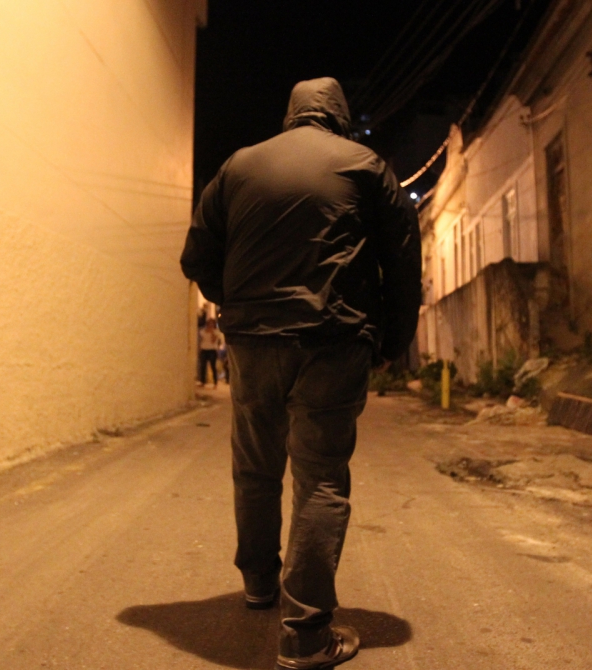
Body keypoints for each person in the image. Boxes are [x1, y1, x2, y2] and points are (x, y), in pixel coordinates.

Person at [180, 77, 421, 670]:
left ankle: (259, 584)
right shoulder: (365, 165)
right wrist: (393, 339)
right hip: (333, 339)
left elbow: (196, 258)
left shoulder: (238, 167)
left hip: (254, 343)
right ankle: (306, 634)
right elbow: (402, 262)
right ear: (338, 116)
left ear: (290, 115)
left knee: (256, 467)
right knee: (320, 477)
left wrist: (239, 305)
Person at [198, 317, 222, 387]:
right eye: (209, 323)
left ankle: (215, 382)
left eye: (212, 323)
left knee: (213, 366)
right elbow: (200, 340)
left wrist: (212, 332)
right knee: (203, 366)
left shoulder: (216, 332)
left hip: (212, 350)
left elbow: (213, 340)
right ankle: (202, 381)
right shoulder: (202, 331)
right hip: (204, 349)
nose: (210, 325)